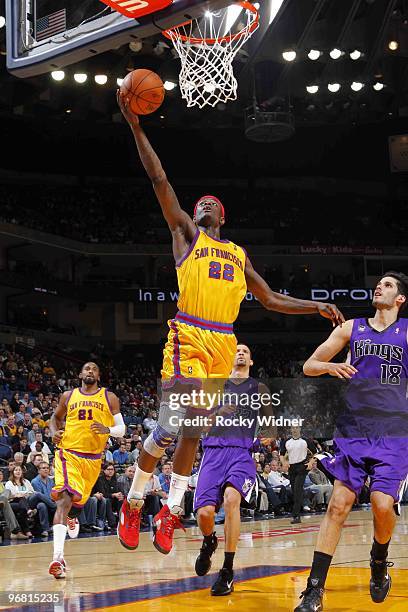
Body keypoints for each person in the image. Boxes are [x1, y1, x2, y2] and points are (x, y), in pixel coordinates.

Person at [116, 93, 345, 554]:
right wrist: (136, 126)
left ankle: (170, 510)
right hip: (190, 333)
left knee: (194, 429)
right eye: (198, 202)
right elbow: (158, 178)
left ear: (223, 215)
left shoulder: (238, 255)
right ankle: (134, 501)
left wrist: (313, 306)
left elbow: (272, 298)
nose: (202, 205)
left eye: (210, 203)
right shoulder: (185, 234)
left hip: (224, 342)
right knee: (169, 426)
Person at [295, 272, 408, 611]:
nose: (380, 287)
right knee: (337, 505)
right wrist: (331, 369)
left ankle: (378, 557)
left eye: (388, 285)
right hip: (354, 429)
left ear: (400, 298)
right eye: (379, 284)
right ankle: (314, 590)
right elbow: (310, 365)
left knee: (381, 505)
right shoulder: (351, 328)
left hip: (394, 432)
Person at [194, 344, 275, 595]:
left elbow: (271, 425)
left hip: (241, 453)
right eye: (237, 350)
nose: (240, 353)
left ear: (251, 361)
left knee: (231, 500)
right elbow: (198, 424)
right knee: (205, 514)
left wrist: (268, 436)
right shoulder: (214, 386)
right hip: (213, 453)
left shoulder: (259, 388)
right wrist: (218, 412)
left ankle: (227, 571)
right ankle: (209, 541)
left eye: (245, 351)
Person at [48, 362, 124, 579]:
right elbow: (55, 418)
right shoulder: (68, 396)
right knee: (64, 499)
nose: (90, 371)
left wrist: (107, 430)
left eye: (94, 369)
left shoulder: (109, 398)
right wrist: (54, 432)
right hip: (68, 453)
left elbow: (122, 429)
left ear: (99, 375)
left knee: (77, 504)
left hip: (93, 460)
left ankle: (72, 517)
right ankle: (57, 557)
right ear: (80, 374)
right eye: (86, 368)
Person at [283, 426, 308, 524]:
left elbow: (315, 453)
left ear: (300, 429)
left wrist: (310, 463)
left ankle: (296, 515)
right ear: (291, 429)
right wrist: (284, 462)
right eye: (293, 428)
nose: (295, 429)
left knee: (297, 490)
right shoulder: (287, 442)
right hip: (291, 468)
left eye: (296, 427)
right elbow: (281, 454)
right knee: (295, 491)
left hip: (302, 466)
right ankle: (298, 512)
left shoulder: (305, 441)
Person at [0, 469, 29, 540]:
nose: (0, 476)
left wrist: (15, 496)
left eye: (0, 474)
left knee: (7, 501)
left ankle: (15, 532)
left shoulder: (1, 485)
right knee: (7, 493)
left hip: (4, 503)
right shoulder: (8, 483)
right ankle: (16, 532)